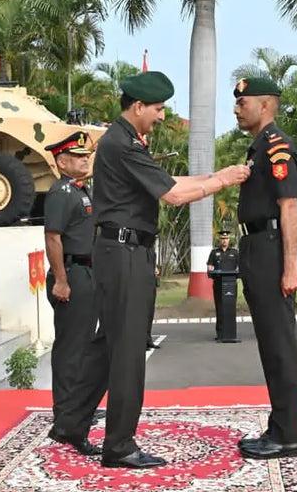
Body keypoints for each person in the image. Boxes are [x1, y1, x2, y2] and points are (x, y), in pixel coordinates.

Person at [63, 71, 250, 469]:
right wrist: (221, 181)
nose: (162, 116)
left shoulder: (124, 141)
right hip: (124, 252)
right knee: (129, 348)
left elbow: (169, 180)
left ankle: (70, 423)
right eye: (158, 108)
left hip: (124, 250)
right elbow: (174, 195)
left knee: (106, 345)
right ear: (137, 106)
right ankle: (119, 446)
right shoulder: (124, 143)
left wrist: (215, 176)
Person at [232, 76, 297, 460]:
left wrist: (290, 266)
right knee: (270, 342)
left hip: (270, 247)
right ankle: (279, 427)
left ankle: (289, 436)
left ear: (264, 105)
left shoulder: (277, 147)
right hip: (254, 245)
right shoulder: (258, 147)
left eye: (242, 102)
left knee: (279, 344)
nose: (236, 108)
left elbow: (288, 207)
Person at [42, 130, 100, 457]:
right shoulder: (61, 192)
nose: (85, 159)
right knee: (71, 347)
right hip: (72, 273)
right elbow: (53, 238)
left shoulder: (80, 189)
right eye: (78, 156)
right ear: (62, 161)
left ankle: (74, 408)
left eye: (86, 155)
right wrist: (61, 280)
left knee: (83, 344)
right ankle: (65, 417)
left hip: (87, 272)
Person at [207, 230, 240, 340]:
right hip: (218, 284)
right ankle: (220, 333)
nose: (224, 241)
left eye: (226, 239)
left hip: (231, 285)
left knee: (230, 307)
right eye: (222, 239)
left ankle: (231, 332)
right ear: (220, 240)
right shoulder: (214, 252)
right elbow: (210, 266)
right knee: (219, 308)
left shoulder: (235, 252)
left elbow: (240, 268)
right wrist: (211, 269)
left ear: (229, 240)